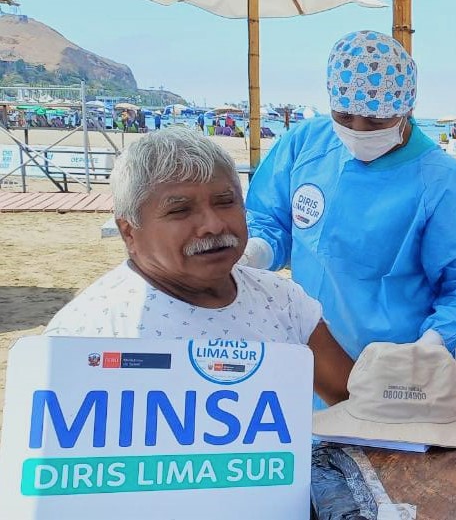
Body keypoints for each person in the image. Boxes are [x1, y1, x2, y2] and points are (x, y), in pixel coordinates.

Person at [242, 31, 456, 363]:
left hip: (396, 361)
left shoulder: (443, 183)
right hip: (308, 350)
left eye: (376, 120)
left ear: (406, 108)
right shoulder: (306, 143)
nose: (358, 130)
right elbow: (271, 219)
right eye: (343, 116)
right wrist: (256, 250)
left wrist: (433, 342)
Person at [45, 128, 352, 405]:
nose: (214, 225)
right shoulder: (87, 332)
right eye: (180, 210)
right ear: (129, 231)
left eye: (225, 201)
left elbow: (350, 400)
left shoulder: (283, 301)